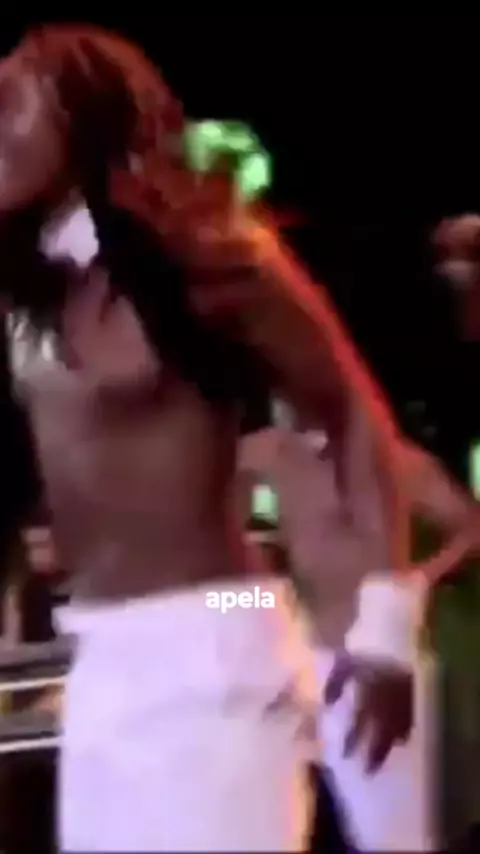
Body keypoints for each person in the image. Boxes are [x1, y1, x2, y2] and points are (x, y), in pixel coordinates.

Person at [0, 24, 411, 852]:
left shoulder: (211, 258)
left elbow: (353, 413)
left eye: (11, 102)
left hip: (214, 632)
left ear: (85, 114)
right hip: (102, 660)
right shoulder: (28, 287)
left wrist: (389, 634)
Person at [240, 400, 480, 851]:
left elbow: (472, 528)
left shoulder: (396, 462)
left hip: (373, 664)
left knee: (389, 834)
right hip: (297, 658)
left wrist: (419, 579)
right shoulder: (265, 453)